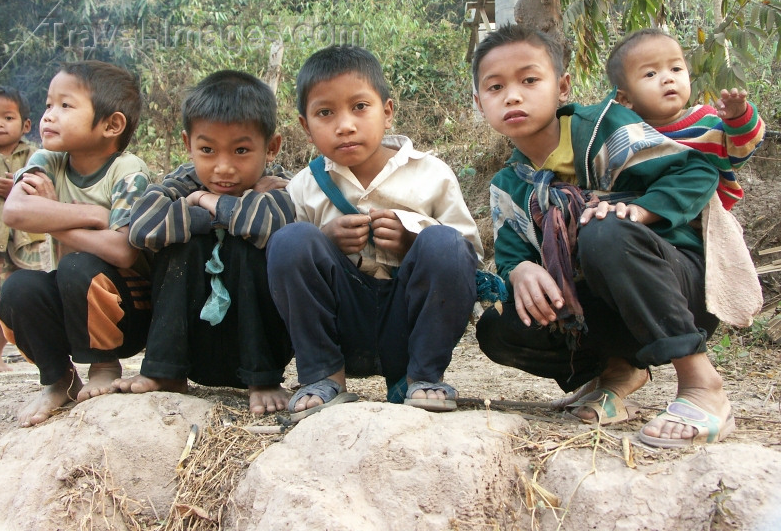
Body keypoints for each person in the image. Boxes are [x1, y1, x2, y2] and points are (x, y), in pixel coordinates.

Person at [472, 24, 755, 448]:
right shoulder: (510, 184)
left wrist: (641, 210)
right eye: (496, 87)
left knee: (601, 231)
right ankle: (617, 373)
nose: (513, 95)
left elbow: (697, 170)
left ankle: (701, 384)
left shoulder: (601, 129)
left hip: (676, 287)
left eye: (530, 80)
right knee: (499, 327)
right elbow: (511, 254)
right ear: (480, 103)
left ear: (563, 86)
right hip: (602, 308)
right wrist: (521, 271)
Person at [267, 45, 482, 421]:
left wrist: (413, 239)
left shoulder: (431, 173)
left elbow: (467, 255)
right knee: (290, 241)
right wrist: (326, 239)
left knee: (445, 243)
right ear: (305, 126)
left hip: (411, 325)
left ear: (387, 111)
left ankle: (422, 378)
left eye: (360, 107)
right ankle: (323, 377)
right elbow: (289, 273)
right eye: (325, 113)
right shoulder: (303, 186)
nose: (345, 124)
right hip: (340, 321)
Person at [112, 70, 294, 415]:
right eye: (207, 150)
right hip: (193, 347)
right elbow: (142, 229)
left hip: (255, 347)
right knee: (183, 246)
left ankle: (264, 380)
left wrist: (205, 202)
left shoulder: (283, 185)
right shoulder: (183, 180)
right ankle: (165, 372)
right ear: (188, 145)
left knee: (253, 245)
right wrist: (220, 213)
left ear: (271, 147)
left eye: (241, 150)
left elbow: (267, 224)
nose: (223, 168)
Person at [0, 60, 152, 427]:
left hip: (128, 308)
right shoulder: (47, 159)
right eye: (49, 104)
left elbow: (122, 250)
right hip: (73, 304)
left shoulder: (127, 170)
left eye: (66, 106)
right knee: (18, 288)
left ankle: (104, 364)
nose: (49, 116)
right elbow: (15, 211)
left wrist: (53, 214)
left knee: (77, 264)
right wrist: (94, 217)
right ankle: (58, 379)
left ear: (111, 125)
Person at [606, 28, 765, 210]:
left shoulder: (707, 123)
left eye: (676, 68)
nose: (668, 78)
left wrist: (739, 118)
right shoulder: (626, 136)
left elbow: (741, 152)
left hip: (703, 222)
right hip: (644, 217)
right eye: (651, 74)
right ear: (625, 99)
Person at [0, 86, 47, 375]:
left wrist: (17, 188)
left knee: (10, 297)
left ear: (26, 125)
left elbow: (45, 190)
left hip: (22, 241)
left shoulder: (36, 156)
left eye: (7, 117)